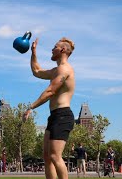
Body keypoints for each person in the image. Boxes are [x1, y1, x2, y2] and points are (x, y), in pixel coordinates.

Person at [23, 37, 75, 179]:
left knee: (55, 156)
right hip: (54, 116)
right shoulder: (55, 70)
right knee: (47, 157)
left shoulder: (64, 70)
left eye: (55, 47)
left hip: (63, 116)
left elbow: (50, 91)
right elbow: (37, 71)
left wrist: (31, 107)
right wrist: (33, 52)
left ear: (63, 50)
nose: (52, 49)